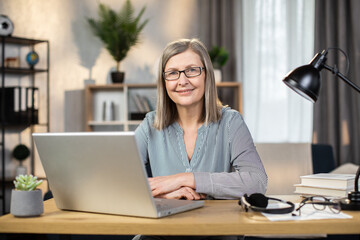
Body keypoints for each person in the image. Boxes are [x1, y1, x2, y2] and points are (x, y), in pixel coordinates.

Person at [133, 38, 267, 240]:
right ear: (164, 82)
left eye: (192, 70)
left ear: (207, 75)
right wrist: (163, 194)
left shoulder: (231, 122)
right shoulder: (149, 125)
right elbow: (118, 183)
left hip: (218, 234)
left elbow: (257, 182)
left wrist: (185, 179)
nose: (182, 80)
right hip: (161, 235)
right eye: (172, 73)